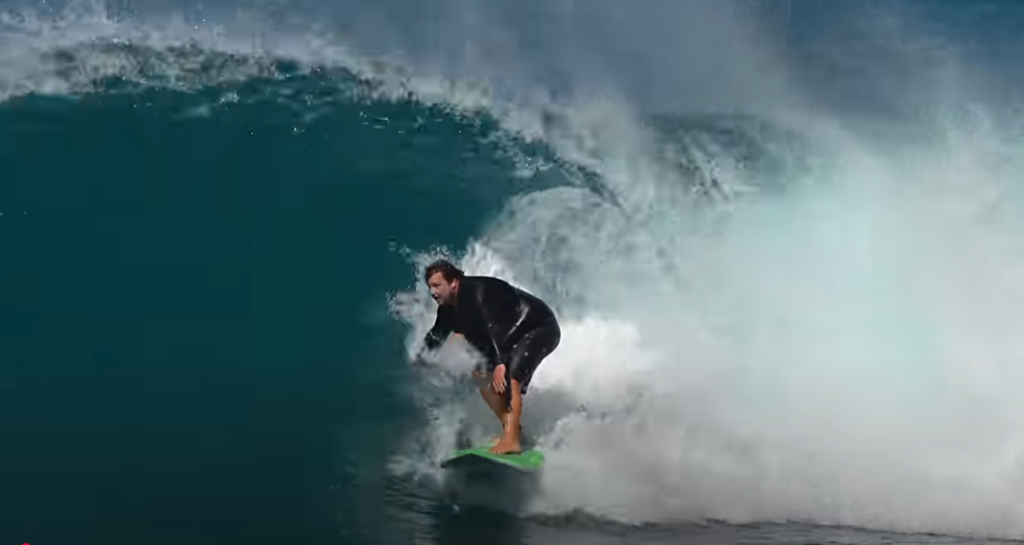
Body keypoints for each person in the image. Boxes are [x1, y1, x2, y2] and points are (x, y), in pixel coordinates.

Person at [416, 259, 561, 454]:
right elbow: (437, 333)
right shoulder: (448, 309)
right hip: (511, 335)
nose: (433, 292)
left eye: (437, 285)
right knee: (480, 375)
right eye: (430, 287)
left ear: (453, 282)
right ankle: (515, 433)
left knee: (511, 378)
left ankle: (511, 441)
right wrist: (421, 358)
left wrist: (501, 364)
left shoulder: (477, 293)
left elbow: (494, 327)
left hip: (539, 327)